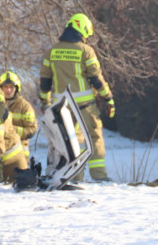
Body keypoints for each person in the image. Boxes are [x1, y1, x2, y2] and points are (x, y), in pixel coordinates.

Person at [40, 13, 116, 181]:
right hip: (85, 105)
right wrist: (107, 97)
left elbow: (45, 80)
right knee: (94, 136)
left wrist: (45, 102)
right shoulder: (85, 51)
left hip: (62, 107)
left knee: (69, 142)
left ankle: (74, 177)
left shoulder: (52, 51)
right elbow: (96, 78)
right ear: (81, 30)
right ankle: (99, 176)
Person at [0, 70, 36, 181]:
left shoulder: (24, 106)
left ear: (16, 88)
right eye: (5, 87)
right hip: (0, 151)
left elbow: (31, 130)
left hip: (19, 155)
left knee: (19, 183)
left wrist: (11, 130)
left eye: (11, 87)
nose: (8, 90)